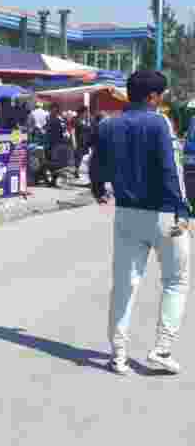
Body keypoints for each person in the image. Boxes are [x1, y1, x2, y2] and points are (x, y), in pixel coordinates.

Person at [90, 70, 191, 376]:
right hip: (163, 213)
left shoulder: (108, 124)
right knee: (175, 281)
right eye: (162, 95)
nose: (163, 101)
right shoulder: (159, 122)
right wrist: (183, 209)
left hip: (126, 213)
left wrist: (98, 189)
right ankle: (162, 349)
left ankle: (118, 354)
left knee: (124, 285)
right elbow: (170, 168)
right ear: (152, 97)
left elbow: (97, 162)